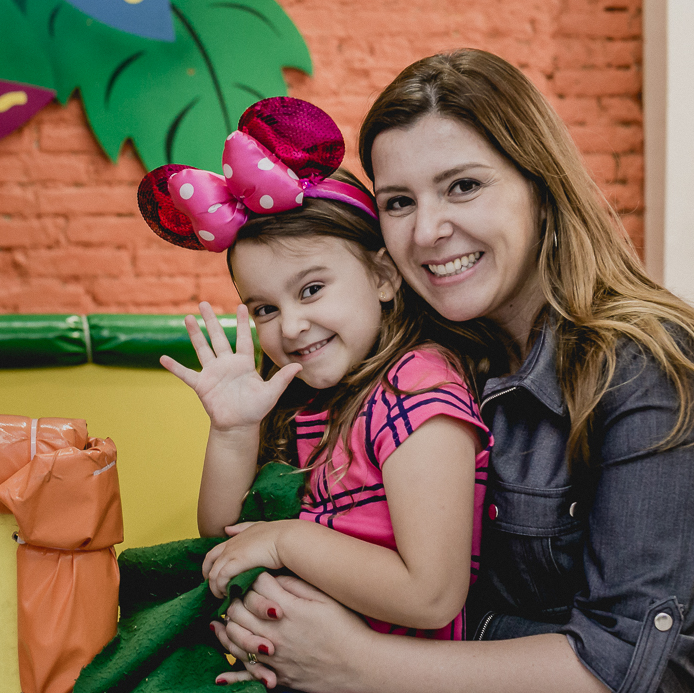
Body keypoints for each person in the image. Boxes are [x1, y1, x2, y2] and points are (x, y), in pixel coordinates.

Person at [212, 49, 694, 693]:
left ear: (540, 186)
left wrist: (355, 662)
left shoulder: (663, 372)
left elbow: (639, 669)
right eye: (399, 201)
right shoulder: (421, 365)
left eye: (463, 186)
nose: (427, 230)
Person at [137, 96, 503, 684]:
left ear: (383, 277)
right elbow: (224, 537)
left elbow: (431, 594)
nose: (290, 326)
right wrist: (233, 431)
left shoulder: (416, 387)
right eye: (264, 308)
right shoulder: (317, 406)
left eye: (311, 290)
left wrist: (285, 541)